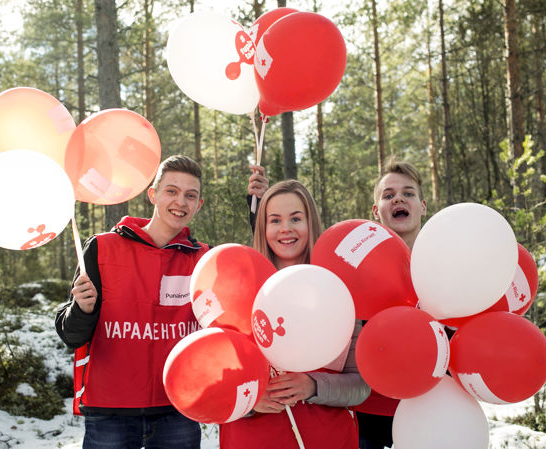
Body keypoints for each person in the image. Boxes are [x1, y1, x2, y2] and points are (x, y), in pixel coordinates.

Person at [55, 155, 209, 449]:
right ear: (153, 194)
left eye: (191, 195)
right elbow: (71, 335)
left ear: (199, 204)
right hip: (110, 412)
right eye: (171, 191)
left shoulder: (203, 259)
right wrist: (83, 309)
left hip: (177, 411)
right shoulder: (103, 248)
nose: (181, 202)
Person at [222, 179, 370, 449]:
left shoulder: (339, 292)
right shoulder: (237, 290)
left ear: (310, 223)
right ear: (263, 227)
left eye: (296, 218)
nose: (286, 229)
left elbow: (360, 386)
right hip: (253, 439)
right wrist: (250, 398)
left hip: (326, 438)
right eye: (275, 220)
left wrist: (312, 386)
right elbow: (215, 379)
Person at [356, 158, 427, 449]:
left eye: (408, 193)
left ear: (422, 206)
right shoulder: (357, 268)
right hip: (368, 416)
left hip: (432, 411)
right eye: (388, 195)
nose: (398, 198)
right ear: (377, 212)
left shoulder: (447, 265)